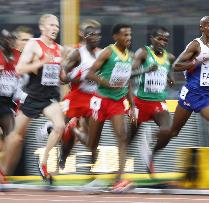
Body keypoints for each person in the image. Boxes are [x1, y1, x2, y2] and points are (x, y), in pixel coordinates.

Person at [167, 16, 209, 187]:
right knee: (174, 132)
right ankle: (155, 144)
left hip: (207, 94)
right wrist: (196, 61)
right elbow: (176, 66)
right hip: (191, 93)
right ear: (202, 28)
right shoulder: (195, 45)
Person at [0, 14, 65, 184]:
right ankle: (2, 172)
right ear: (42, 27)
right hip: (32, 96)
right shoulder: (33, 44)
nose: (55, 28)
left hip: (50, 97)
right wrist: (42, 62)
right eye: (51, 25)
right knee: (14, 137)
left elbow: (62, 77)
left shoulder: (59, 48)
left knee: (59, 126)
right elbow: (20, 68)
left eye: (57, 26)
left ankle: (43, 163)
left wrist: (69, 73)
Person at [86, 24, 134, 190]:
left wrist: (132, 105)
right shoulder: (107, 52)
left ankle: (118, 180)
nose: (128, 38)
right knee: (92, 142)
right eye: (125, 35)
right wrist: (106, 83)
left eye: (129, 35)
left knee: (122, 137)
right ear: (115, 37)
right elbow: (90, 74)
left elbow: (128, 82)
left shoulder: (130, 56)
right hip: (101, 99)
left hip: (117, 101)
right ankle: (74, 130)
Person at [127, 26, 175, 174]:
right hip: (140, 101)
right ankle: (121, 169)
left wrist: (170, 79)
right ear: (152, 39)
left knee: (167, 131)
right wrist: (145, 70)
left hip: (158, 101)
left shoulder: (170, 57)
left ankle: (150, 154)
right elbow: (129, 74)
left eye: (165, 40)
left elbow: (167, 73)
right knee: (130, 139)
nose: (162, 42)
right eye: (159, 38)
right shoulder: (143, 53)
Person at [58, 20, 102, 169]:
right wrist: (78, 76)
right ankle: (63, 153)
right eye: (89, 32)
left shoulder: (102, 53)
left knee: (93, 136)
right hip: (76, 94)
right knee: (60, 128)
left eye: (96, 33)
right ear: (82, 34)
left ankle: (94, 163)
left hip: (93, 97)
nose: (93, 36)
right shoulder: (73, 51)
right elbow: (63, 77)